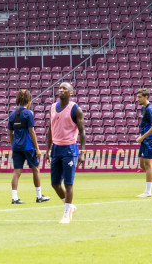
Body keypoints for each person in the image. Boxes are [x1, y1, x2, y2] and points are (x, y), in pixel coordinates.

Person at [45, 82, 86, 224]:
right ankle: (70, 207)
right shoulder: (52, 107)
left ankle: (66, 214)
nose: (61, 90)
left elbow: (82, 131)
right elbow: (50, 129)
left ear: (71, 93)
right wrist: (48, 150)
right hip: (56, 148)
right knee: (55, 183)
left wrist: (82, 151)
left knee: (68, 183)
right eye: (60, 88)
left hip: (69, 149)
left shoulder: (75, 109)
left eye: (65, 89)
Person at [7, 89, 50, 205]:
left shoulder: (12, 114)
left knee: (16, 172)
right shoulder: (29, 113)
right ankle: (39, 196)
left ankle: (14, 198)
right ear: (29, 101)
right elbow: (32, 131)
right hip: (28, 146)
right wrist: (37, 148)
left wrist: (13, 145)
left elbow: (10, 133)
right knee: (35, 169)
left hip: (16, 147)